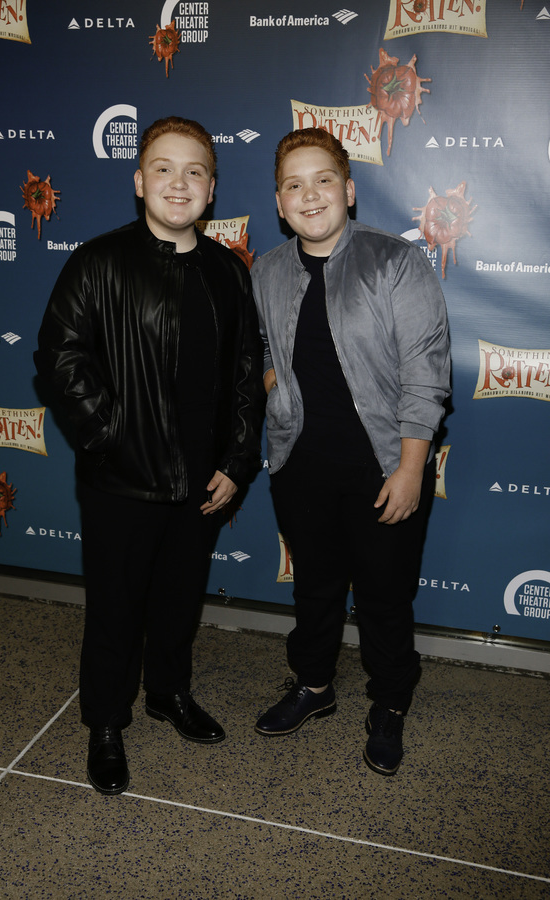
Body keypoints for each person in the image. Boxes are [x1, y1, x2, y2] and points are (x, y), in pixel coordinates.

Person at [34, 116, 263, 795]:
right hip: (121, 481)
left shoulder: (228, 270)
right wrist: (108, 435)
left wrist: (238, 458)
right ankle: (107, 723)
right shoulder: (98, 262)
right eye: (163, 168)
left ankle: (169, 693)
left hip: (203, 481)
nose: (179, 182)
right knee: (115, 608)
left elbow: (247, 371)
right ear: (139, 181)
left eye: (195, 171)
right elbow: (59, 356)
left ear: (212, 189)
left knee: (177, 602)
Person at [250, 128, 450, 775]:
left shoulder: (395, 262)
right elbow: (260, 352)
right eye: (293, 184)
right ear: (280, 203)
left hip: (383, 467)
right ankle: (313, 686)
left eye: (323, 180)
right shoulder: (269, 270)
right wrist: (273, 387)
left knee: (385, 597)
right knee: (314, 587)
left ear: (350, 190)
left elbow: (426, 373)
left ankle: (390, 703)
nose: (310, 195)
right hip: (300, 466)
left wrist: (412, 467)